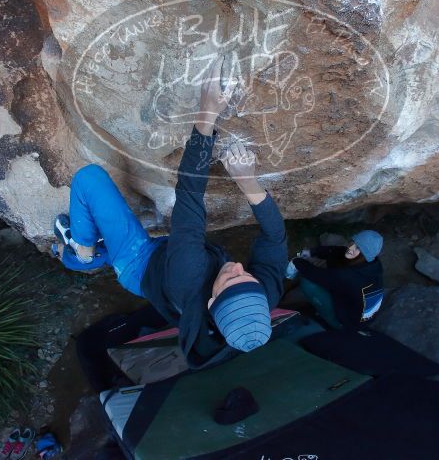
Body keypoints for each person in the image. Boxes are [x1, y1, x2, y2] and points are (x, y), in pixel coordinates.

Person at [52, 58, 287, 369]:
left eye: (231, 279)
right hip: (167, 266)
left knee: (89, 179)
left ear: (212, 302)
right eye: (248, 276)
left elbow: (190, 195)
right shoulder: (262, 294)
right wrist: (248, 181)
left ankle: (82, 253)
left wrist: (206, 114)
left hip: (140, 264)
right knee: (137, 237)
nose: (239, 267)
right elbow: (276, 236)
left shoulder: (188, 276)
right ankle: (100, 249)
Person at [288, 230, 384, 330]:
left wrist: (296, 260)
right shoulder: (373, 263)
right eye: (353, 242)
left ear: (365, 255)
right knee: (338, 258)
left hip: (349, 324)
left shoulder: (348, 276)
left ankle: (327, 319)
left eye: (358, 248)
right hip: (363, 314)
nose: (351, 248)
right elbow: (336, 251)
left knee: (308, 283)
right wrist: (310, 252)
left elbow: (313, 273)